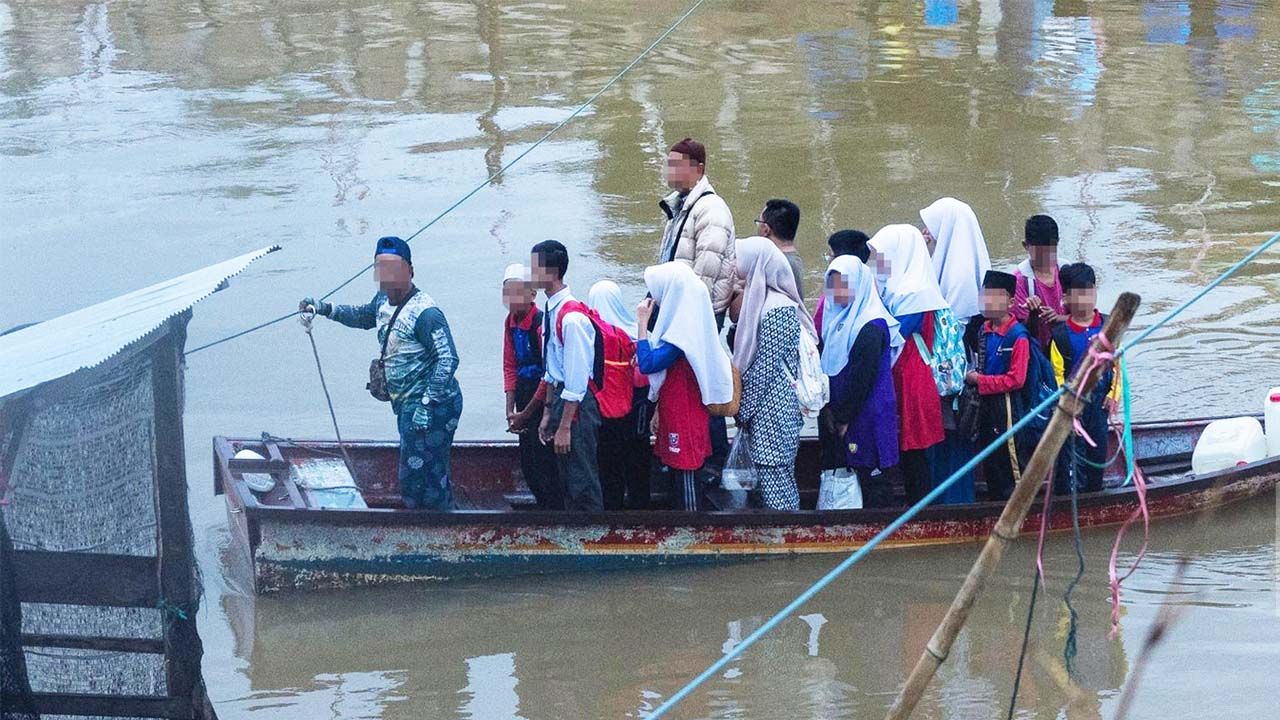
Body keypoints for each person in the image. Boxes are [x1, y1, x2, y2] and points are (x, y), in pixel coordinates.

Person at [300, 236, 462, 510]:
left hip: (434, 405)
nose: (388, 276)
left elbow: (448, 359)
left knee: (419, 477)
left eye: (394, 268)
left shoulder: (425, 313)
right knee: (423, 470)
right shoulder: (382, 301)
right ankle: (437, 519)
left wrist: (426, 404)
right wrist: (325, 309)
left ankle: (439, 530)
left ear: (410, 270)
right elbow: (363, 316)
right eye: (381, 268)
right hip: (406, 403)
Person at [635, 263, 736, 510]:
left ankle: (692, 529)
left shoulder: (681, 336)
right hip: (679, 409)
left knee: (686, 474)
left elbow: (648, 364)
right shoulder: (689, 328)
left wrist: (641, 324)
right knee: (680, 473)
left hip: (684, 415)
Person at [867, 225, 947, 505]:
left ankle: (921, 508)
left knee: (915, 446)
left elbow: (893, 335)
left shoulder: (916, 294)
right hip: (900, 373)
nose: (877, 264)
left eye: (882, 257)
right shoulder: (897, 288)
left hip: (913, 377)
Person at [733, 237, 814, 510]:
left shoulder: (778, 308)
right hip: (765, 409)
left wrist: (742, 408)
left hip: (774, 411)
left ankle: (787, 539)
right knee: (765, 479)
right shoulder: (761, 302)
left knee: (775, 476)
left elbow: (766, 366)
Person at [920, 196, 991, 504]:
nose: (926, 232)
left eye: (931, 227)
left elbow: (954, 324)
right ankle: (948, 499)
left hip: (954, 376)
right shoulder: (948, 264)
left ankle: (954, 503)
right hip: (948, 372)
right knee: (946, 436)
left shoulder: (958, 275)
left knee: (952, 436)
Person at [818, 256, 903, 508]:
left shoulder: (870, 325)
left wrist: (844, 417)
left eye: (843, 284)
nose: (837, 291)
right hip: (844, 410)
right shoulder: (837, 321)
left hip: (867, 411)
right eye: (832, 284)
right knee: (848, 468)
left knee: (870, 469)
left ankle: (879, 524)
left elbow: (862, 377)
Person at [530, 240, 603, 511]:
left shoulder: (572, 319)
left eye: (535, 268)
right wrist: (548, 412)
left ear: (552, 272)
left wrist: (564, 426)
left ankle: (593, 540)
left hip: (577, 407)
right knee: (567, 475)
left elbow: (576, 379)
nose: (531, 274)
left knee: (581, 478)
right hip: (561, 400)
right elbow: (552, 366)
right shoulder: (552, 308)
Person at [1050, 263, 1122, 494]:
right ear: (1066, 298)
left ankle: (1095, 498)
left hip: (1099, 407)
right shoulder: (1060, 336)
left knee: (1097, 455)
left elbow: (1118, 365)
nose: (1084, 299)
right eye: (1078, 293)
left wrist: (1113, 396)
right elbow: (1057, 377)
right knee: (1072, 461)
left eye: (1088, 291)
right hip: (1073, 410)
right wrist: (1067, 409)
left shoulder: (1109, 326)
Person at [964, 271, 1032, 502]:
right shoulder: (983, 330)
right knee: (991, 458)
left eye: (995, 297)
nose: (988, 302)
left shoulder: (1018, 337)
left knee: (1012, 460)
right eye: (985, 296)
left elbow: (1016, 380)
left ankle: (1018, 507)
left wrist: (979, 381)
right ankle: (996, 505)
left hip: (1008, 408)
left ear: (1011, 302)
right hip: (986, 406)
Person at [658, 137, 737, 324]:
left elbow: (706, 270)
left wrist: (689, 313)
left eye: (677, 165)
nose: (670, 171)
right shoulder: (680, 204)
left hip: (697, 312)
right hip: (676, 305)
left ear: (698, 170)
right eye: (669, 164)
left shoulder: (711, 209)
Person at [587, 280, 650, 509]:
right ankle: (640, 506)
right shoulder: (638, 331)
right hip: (639, 406)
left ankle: (612, 509)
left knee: (608, 460)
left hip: (606, 409)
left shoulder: (591, 335)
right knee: (638, 455)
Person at [501, 264, 558, 509]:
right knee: (528, 463)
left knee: (545, 461)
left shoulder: (540, 323)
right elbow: (509, 365)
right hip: (524, 392)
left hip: (544, 396)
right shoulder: (510, 322)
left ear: (532, 295)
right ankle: (542, 508)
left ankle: (554, 513)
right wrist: (510, 410)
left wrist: (527, 413)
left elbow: (550, 373)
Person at [1013, 214, 1067, 351]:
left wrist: (1059, 318)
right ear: (1026, 246)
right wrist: (1033, 315)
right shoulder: (1019, 280)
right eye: (1040, 252)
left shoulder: (1066, 271)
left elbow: (1085, 315)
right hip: (1036, 355)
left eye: (1050, 251)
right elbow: (1018, 332)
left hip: (1066, 352)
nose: (1046, 258)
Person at [814, 229, 872, 330]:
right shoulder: (873, 295)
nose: (828, 260)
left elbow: (816, 331)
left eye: (830, 255)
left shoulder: (870, 326)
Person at [755, 199, 805, 300]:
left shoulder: (773, 264)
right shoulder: (794, 259)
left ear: (766, 229)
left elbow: (740, 309)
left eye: (758, 222)